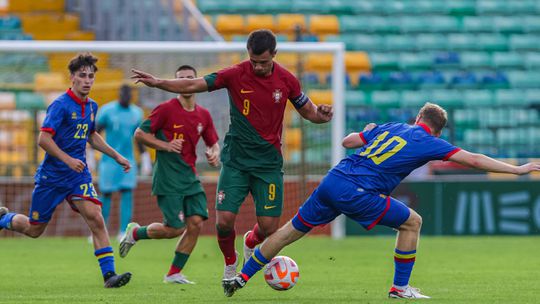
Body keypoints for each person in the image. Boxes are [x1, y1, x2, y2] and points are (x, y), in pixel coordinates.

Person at [222, 102, 540, 299]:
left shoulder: (392, 127)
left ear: (417, 117)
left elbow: (348, 141)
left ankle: (240, 277)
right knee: (413, 222)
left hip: (333, 179)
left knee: (290, 231)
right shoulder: (430, 142)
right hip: (358, 190)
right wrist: (516, 169)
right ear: (438, 131)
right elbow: (472, 159)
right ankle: (399, 289)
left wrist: (367, 130)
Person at [130, 29, 333, 288]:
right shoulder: (235, 74)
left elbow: (309, 112)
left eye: (264, 62)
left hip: (268, 164)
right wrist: (159, 82)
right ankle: (230, 263)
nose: (258, 67)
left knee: (270, 228)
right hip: (236, 161)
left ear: (275, 55)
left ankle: (250, 241)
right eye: (254, 61)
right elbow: (194, 84)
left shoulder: (287, 80)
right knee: (224, 221)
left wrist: (321, 114)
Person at [0, 53, 133, 288]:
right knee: (34, 229)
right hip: (52, 176)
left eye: (91, 76)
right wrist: (67, 159)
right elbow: (43, 139)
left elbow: (91, 135)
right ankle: (4, 218)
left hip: (77, 176)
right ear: (72, 77)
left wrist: (116, 156)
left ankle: (109, 276)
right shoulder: (60, 105)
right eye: (82, 75)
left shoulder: (92, 106)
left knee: (96, 219)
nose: (87, 80)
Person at [119, 65, 220, 284]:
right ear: (175, 84)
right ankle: (135, 233)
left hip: (190, 177)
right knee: (174, 228)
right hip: (168, 176)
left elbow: (213, 143)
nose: (185, 82)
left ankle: (174, 273)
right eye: (181, 79)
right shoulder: (165, 109)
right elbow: (140, 134)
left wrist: (214, 154)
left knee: (196, 223)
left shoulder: (204, 115)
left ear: (196, 82)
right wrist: (165, 145)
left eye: (189, 78)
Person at [94, 84, 151, 240]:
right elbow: (95, 133)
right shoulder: (107, 110)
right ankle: (100, 231)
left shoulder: (136, 113)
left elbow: (138, 137)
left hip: (128, 160)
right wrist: (89, 154)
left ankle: (123, 232)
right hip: (108, 160)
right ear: (119, 95)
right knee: (105, 194)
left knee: (127, 194)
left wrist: (145, 157)